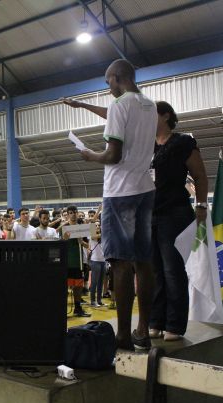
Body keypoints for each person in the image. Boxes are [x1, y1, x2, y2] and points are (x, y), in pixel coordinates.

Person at [64, 58, 158, 350]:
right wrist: (83, 107)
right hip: (145, 189)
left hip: (120, 192)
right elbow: (116, 113)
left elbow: (113, 155)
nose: (108, 88)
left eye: (108, 82)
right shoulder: (149, 105)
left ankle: (123, 334)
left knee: (119, 263)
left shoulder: (120, 106)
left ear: (118, 78)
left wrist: (90, 154)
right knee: (143, 262)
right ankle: (143, 329)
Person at [149, 101, 208, 341]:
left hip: (175, 212)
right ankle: (155, 321)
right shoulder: (146, 145)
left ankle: (174, 324)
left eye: (150, 114)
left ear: (165, 116)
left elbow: (200, 175)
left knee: (172, 269)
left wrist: (201, 204)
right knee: (155, 271)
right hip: (150, 214)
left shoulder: (183, 142)